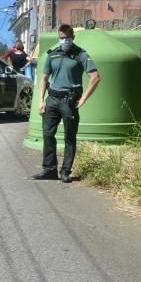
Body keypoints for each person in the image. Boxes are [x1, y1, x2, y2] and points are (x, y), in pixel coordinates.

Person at [33, 25, 101, 183]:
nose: (63, 40)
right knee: (48, 134)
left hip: (69, 101)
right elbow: (44, 78)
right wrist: (41, 100)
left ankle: (65, 171)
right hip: (52, 99)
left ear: (72, 37)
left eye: (66, 37)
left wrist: (84, 98)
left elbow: (95, 77)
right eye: (61, 37)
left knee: (69, 137)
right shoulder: (52, 55)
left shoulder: (81, 55)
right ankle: (49, 169)